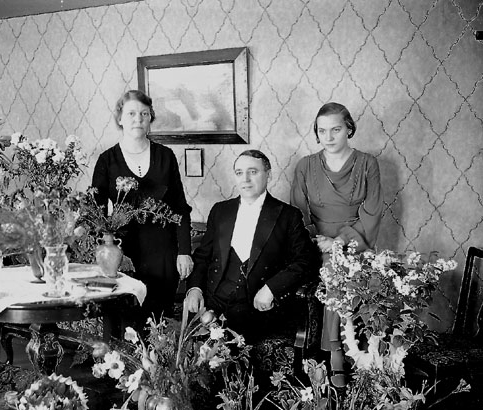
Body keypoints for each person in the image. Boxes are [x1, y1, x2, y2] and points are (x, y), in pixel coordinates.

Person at [291, 102, 384, 387]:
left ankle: (348, 354)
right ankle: (335, 355)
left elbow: (373, 212)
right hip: (315, 243)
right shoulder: (305, 166)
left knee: (343, 269)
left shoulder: (367, 164)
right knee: (332, 267)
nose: (328, 137)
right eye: (322, 131)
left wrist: (340, 241)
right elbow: (298, 212)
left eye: (336, 129)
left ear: (349, 129)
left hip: (355, 241)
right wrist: (318, 239)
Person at [184, 149, 320, 344]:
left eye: (253, 172)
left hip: (257, 306)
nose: (245, 179)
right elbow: (203, 256)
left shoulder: (288, 215)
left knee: (232, 345)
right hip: (216, 300)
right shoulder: (220, 210)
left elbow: (306, 261)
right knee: (188, 347)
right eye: (239, 173)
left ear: (268, 174)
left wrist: (271, 289)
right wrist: (195, 289)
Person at [92, 90, 193, 322]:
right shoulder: (107, 160)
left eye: (144, 114)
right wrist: (104, 253)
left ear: (150, 118)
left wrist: (184, 251)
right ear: (120, 118)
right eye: (131, 113)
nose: (138, 119)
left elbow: (180, 207)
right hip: (124, 254)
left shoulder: (166, 156)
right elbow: (96, 213)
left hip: (164, 254)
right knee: (126, 322)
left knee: (158, 321)